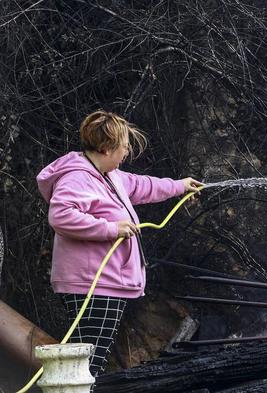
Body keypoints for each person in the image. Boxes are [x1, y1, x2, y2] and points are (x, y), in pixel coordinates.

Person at [36, 110, 203, 378]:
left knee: (89, 359)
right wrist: (111, 228)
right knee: (87, 363)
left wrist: (180, 186)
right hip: (92, 284)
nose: (127, 150)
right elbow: (61, 215)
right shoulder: (78, 177)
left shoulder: (108, 176)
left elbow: (143, 185)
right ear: (105, 147)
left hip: (104, 282)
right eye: (123, 145)